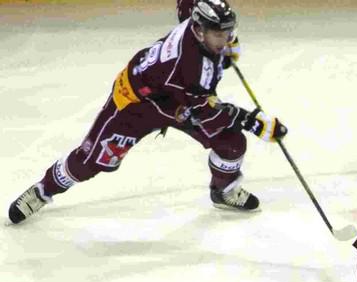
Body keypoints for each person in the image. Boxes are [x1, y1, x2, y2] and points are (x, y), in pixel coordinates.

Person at [6, 0, 287, 225]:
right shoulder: (188, 65)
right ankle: (43, 190)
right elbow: (203, 111)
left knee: (231, 142)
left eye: (228, 32)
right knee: (91, 161)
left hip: (178, 98)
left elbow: (186, 5)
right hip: (136, 104)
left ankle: (223, 191)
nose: (225, 39)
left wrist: (226, 44)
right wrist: (252, 121)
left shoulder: (200, 21)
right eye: (219, 35)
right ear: (200, 31)